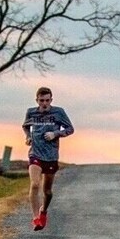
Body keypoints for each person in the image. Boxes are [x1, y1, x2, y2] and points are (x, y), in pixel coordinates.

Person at [22, 87, 74, 231]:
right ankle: (36, 218)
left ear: (51, 100)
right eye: (41, 100)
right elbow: (25, 127)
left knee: (48, 192)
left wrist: (55, 133)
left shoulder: (59, 112)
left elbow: (70, 129)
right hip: (35, 153)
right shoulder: (31, 112)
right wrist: (27, 137)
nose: (44, 103)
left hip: (51, 156)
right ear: (37, 100)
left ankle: (43, 211)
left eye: (47, 100)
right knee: (34, 184)